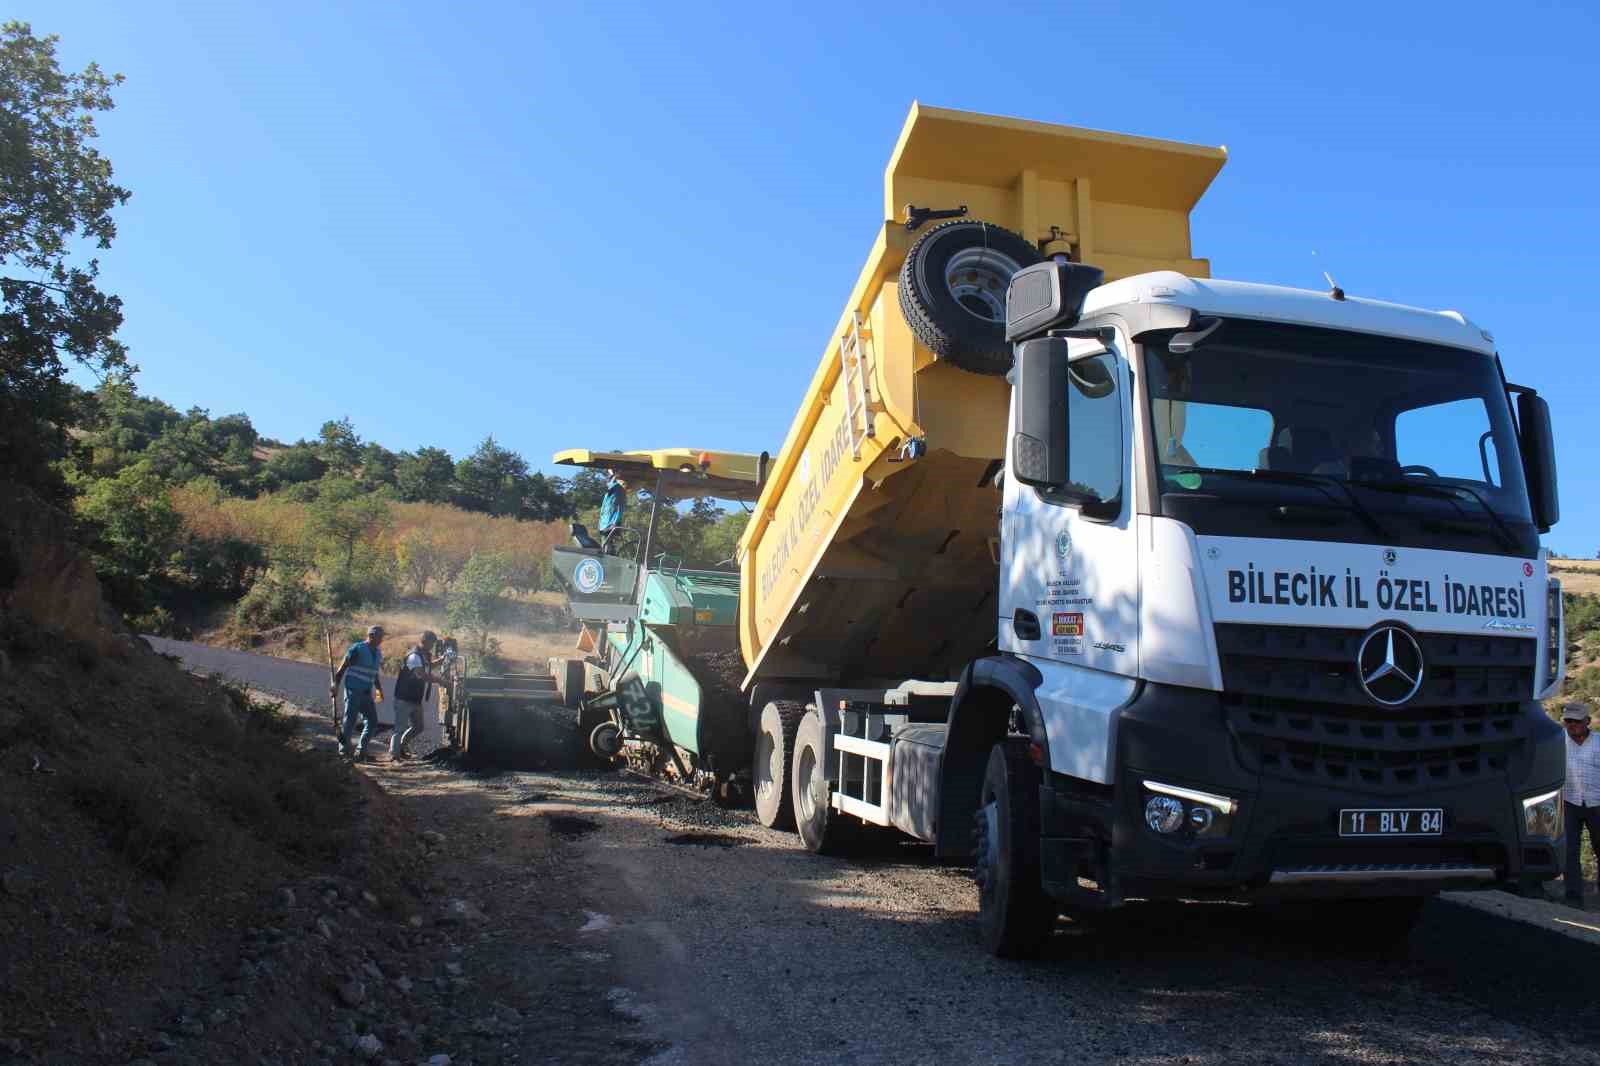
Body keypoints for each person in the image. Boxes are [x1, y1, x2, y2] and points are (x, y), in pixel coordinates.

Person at [1563, 702, 1600, 906]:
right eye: (1568, 721)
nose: (1572, 725)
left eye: (1577, 721)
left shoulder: (1599, 742)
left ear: (1587, 721)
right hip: (1569, 802)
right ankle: (1573, 896)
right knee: (1569, 849)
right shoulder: (1559, 742)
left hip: (1597, 803)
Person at [332, 624, 385, 761]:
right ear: (371, 636)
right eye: (379, 637)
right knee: (350, 721)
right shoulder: (358, 649)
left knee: (372, 721)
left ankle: (361, 751)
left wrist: (378, 689)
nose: (381, 639)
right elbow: (343, 668)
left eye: (382, 637)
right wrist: (335, 685)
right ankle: (343, 752)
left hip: (366, 693)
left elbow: (374, 673)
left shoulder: (378, 652)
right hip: (353, 691)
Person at [390, 630, 444, 761]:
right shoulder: (414, 656)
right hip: (404, 698)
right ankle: (394, 755)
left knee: (419, 727)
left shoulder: (423, 655)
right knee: (399, 728)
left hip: (414, 698)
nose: (433, 646)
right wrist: (440, 681)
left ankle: (401, 747)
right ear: (425, 641)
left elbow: (428, 666)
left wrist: (441, 660)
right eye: (432, 643)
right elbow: (421, 674)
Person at [598, 470, 628, 553]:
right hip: (604, 524)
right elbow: (603, 509)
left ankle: (608, 555)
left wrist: (615, 522)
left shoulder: (618, 490)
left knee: (607, 545)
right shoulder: (608, 493)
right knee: (606, 544)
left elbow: (620, 509)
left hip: (610, 524)